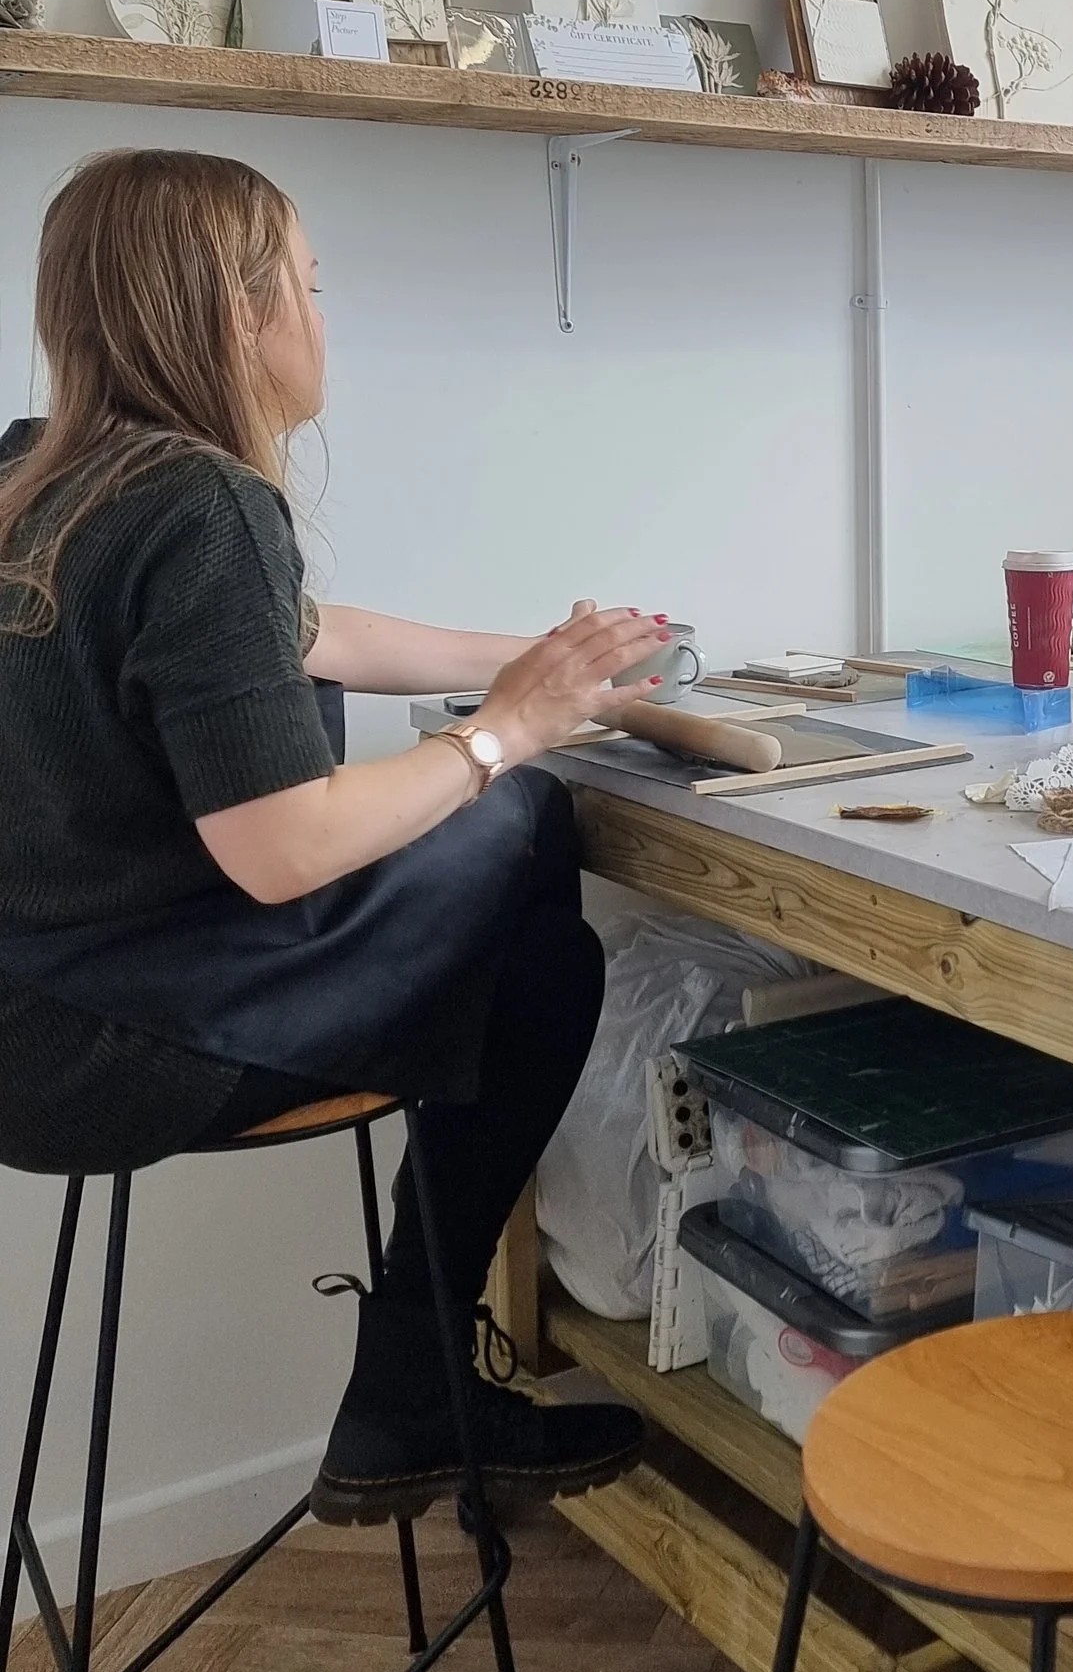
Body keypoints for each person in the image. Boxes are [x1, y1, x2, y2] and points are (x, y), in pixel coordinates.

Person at [0, 149, 661, 1525]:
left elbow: (310, 636)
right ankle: (411, 1384)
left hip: (28, 1031)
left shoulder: (36, 480)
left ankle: (411, 1392)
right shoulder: (205, 508)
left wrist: (554, 661)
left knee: (542, 965)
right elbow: (282, 851)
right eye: (307, 283)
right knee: (533, 830)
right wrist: (503, 735)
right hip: (131, 1039)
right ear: (237, 316)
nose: (321, 311)